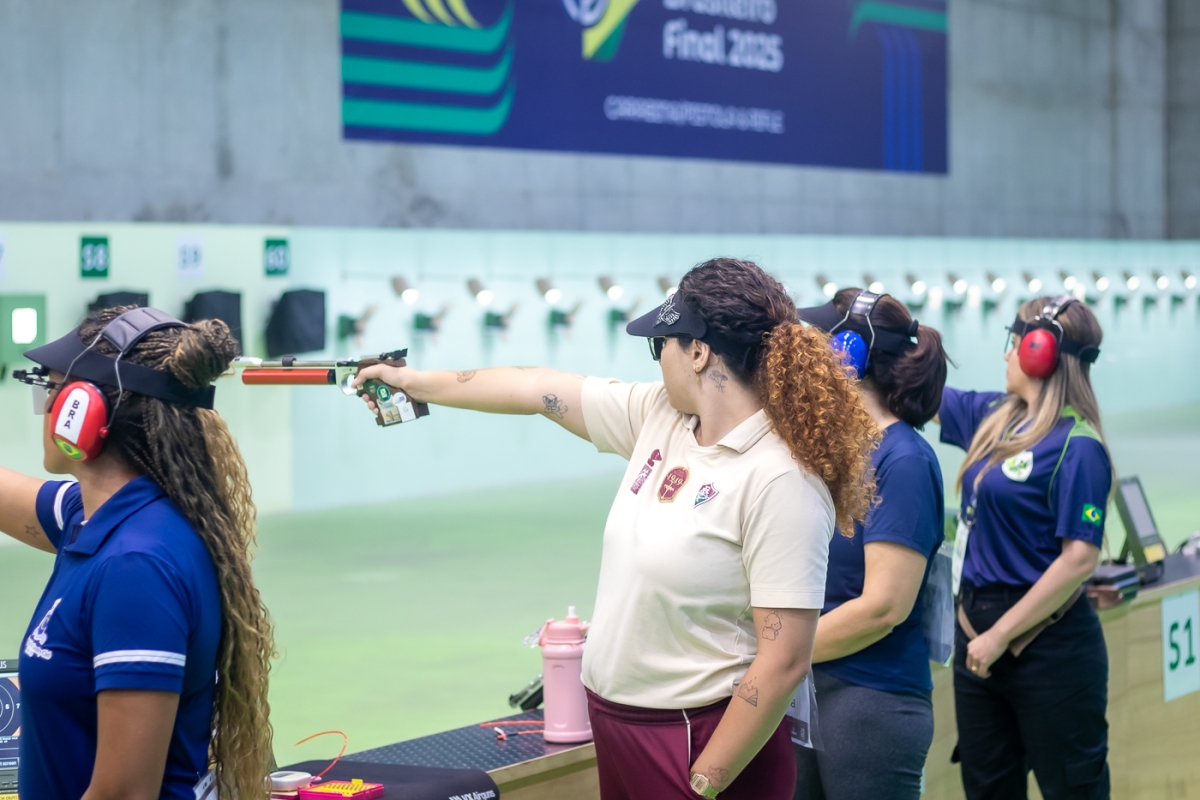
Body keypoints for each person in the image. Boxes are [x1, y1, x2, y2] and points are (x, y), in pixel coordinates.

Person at [355, 258, 879, 799]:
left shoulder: (780, 478)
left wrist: (704, 781)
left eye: (661, 345)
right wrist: (414, 383)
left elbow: (784, 661)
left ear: (698, 352)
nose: (659, 361)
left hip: (701, 738)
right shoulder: (662, 417)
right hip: (621, 727)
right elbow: (536, 388)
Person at [0, 306, 275, 800]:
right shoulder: (104, 517)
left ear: (81, 411)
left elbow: (124, 793)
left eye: (50, 388)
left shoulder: (136, 566)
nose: (43, 408)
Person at [937, 296, 1111, 800]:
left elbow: (1080, 558)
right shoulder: (994, 416)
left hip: (1049, 649)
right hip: (977, 641)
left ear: (1039, 351)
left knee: (1073, 790)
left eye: (1013, 344)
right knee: (987, 789)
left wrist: (998, 636)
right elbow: (923, 391)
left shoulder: (1079, 445)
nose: (1006, 355)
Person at [791, 289, 949, 800]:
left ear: (849, 355)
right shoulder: (840, 451)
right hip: (810, 688)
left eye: (821, 343)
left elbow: (883, 607)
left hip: (869, 701)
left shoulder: (904, 461)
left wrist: (778, 654)